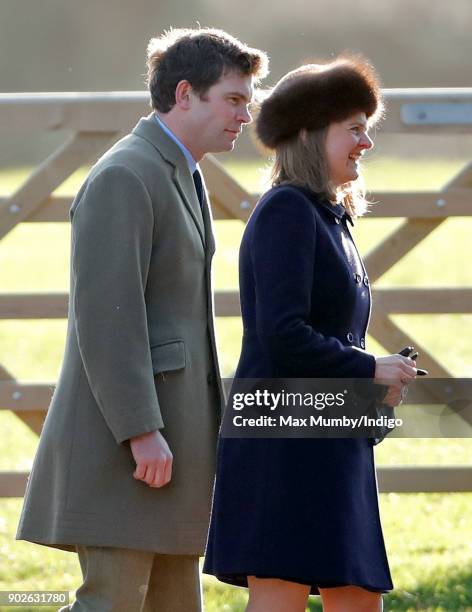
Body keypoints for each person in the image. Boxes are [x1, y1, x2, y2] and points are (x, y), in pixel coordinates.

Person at [16, 27, 268, 612]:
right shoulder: (125, 175)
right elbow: (106, 320)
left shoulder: (182, 169)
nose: (244, 115)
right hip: (129, 449)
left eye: (248, 102)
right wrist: (140, 430)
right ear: (185, 94)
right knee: (112, 604)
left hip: (169, 445)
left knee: (174, 605)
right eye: (233, 99)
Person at [203, 55, 417, 612]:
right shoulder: (287, 212)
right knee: (282, 594)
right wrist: (370, 368)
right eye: (354, 129)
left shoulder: (329, 216)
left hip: (326, 432)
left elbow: (329, 334)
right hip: (284, 442)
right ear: (309, 133)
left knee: (359, 596)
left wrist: (373, 388)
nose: (365, 143)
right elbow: (282, 333)